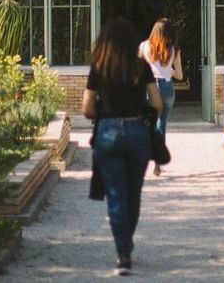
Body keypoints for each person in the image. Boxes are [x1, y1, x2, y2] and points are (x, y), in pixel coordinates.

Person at [83, 17, 162, 277]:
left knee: (116, 194)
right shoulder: (141, 67)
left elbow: (87, 108)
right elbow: (158, 103)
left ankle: (123, 254)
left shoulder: (99, 67)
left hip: (108, 132)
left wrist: (104, 113)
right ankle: (126, 243)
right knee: (133, 192)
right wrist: (144, 112)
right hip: (137, 131)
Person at [139, 18, 183, 176]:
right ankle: (157, 164)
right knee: (161, 125)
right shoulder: (174, 50)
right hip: (167, 88)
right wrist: (168, 70)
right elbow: (179, 75)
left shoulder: (144, 46)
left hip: (150, 88)